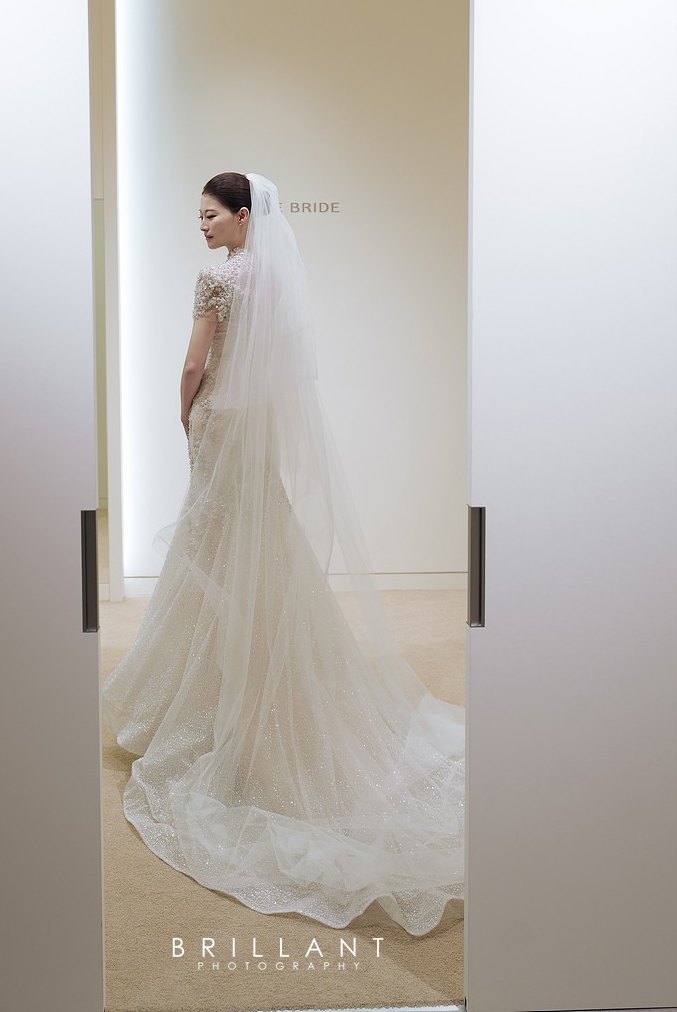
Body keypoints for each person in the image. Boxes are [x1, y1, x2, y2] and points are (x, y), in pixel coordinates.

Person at [102, 171, 465, 937]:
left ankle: (213, 692)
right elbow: (290, 367)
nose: (202, 227)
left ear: (243, 217)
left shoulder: (217, 279)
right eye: (198, 217)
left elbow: (194, 364)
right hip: (257, 426)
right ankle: (241, 666)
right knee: (254, 546)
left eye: (211, 215)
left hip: (220, 424)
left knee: (211, 550)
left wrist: (183, 413)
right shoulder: (274, 279)